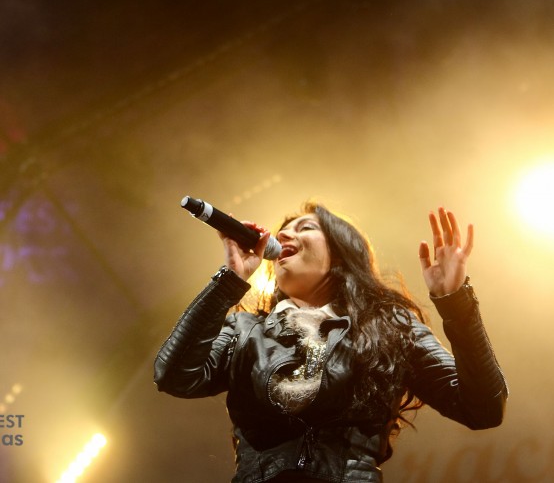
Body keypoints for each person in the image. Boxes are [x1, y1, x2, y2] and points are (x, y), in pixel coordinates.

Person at [154, 201, 508, 482]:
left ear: (340, 253)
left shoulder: (389, 324)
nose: (284, 234)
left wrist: (455, 303)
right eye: (283, 230)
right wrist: (231, 279)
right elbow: (173, 376)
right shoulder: (245, 329)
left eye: (305, 228)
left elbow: (483, 408)